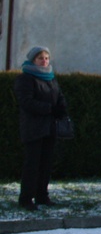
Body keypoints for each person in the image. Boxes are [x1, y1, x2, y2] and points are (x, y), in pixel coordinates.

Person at [14, 46, 68, 211]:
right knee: (32, 164)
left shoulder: (50, 77)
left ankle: (42, 196)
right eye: (40, 58)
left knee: (46, 164)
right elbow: (26, 102)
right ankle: (26, 198)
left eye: (46, 58)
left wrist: (62, 108)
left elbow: (58, 96)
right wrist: (49, 109)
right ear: (33, 60)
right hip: (34, 128)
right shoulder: (26, 78)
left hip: (50, 127)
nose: (44, 61)